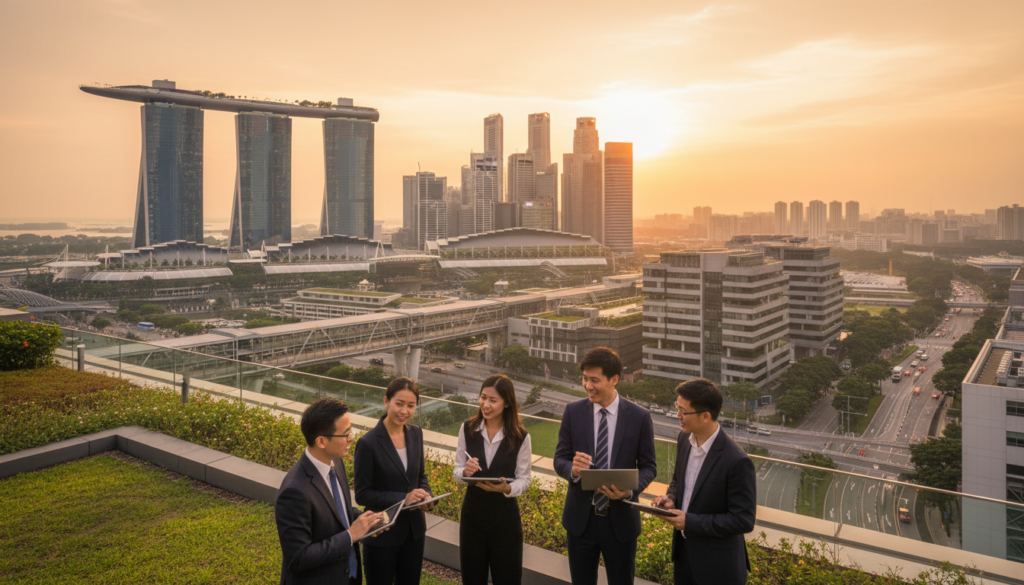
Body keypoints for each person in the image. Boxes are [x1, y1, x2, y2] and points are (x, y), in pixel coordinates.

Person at [553, 347, 657, 585]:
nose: (588, 386)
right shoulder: (573, 412)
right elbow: (559, 459)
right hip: (581, 521)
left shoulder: (639, 417)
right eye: (585, 379)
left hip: (620, 522)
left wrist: (630, 491)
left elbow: (650, 466)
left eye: (594, 380)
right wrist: (573, 470)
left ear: (614, 379)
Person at [653, 379, 756, 585]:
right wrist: (671, 499)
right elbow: (677, 481)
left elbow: (743, 520)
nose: (677, 415)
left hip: (719, 568)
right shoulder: (685, 440)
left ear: (705, 416)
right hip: (684, 559)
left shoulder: (736, 460)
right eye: (677, 407)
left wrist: (689, 522)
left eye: (683, 411)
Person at [275, 398, 385, 585]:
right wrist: (351, 535)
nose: (351, 438)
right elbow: (298, 558)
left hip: (348, 576)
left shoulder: (335, 461)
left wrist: (366, 519)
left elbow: (337, 510)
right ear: (321, 441)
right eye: (346, 434)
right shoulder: (294, 491)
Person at [453, 374, 533, 585]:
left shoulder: (521, 437)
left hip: (505, 520)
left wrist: (507, 488)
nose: (485, 405)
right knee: (472, 576)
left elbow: (524, 479)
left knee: (507, 577)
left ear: (507, 403)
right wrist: (465, 472)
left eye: (493, 400)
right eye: (483, 397)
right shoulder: (467, 429)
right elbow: (457, 470)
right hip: (473, 516)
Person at [354, 377, 434, 585]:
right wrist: (403, 498)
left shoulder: (416, 433)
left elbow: (420, 477)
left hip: (413, 532)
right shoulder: (368, 443)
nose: (404, 411)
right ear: (386, 401)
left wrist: (427, 497)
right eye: (399, 404)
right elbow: (362, 494)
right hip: (382, 532)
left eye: (411, 405)